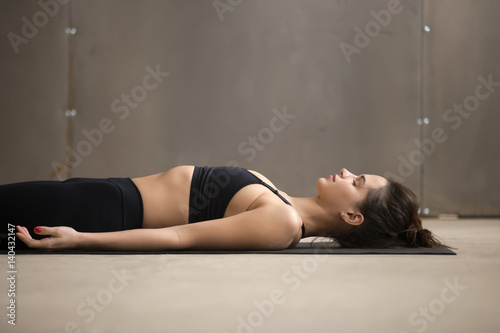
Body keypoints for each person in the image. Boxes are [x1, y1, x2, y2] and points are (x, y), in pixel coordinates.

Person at [1, 165, 448, 251]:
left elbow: (178, 237)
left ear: (354, 215)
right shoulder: (282, 200)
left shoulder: (282, 222)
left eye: (358, 182)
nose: (347, 171)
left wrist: (80, 239)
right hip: (102, 194)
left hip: (102, 214)